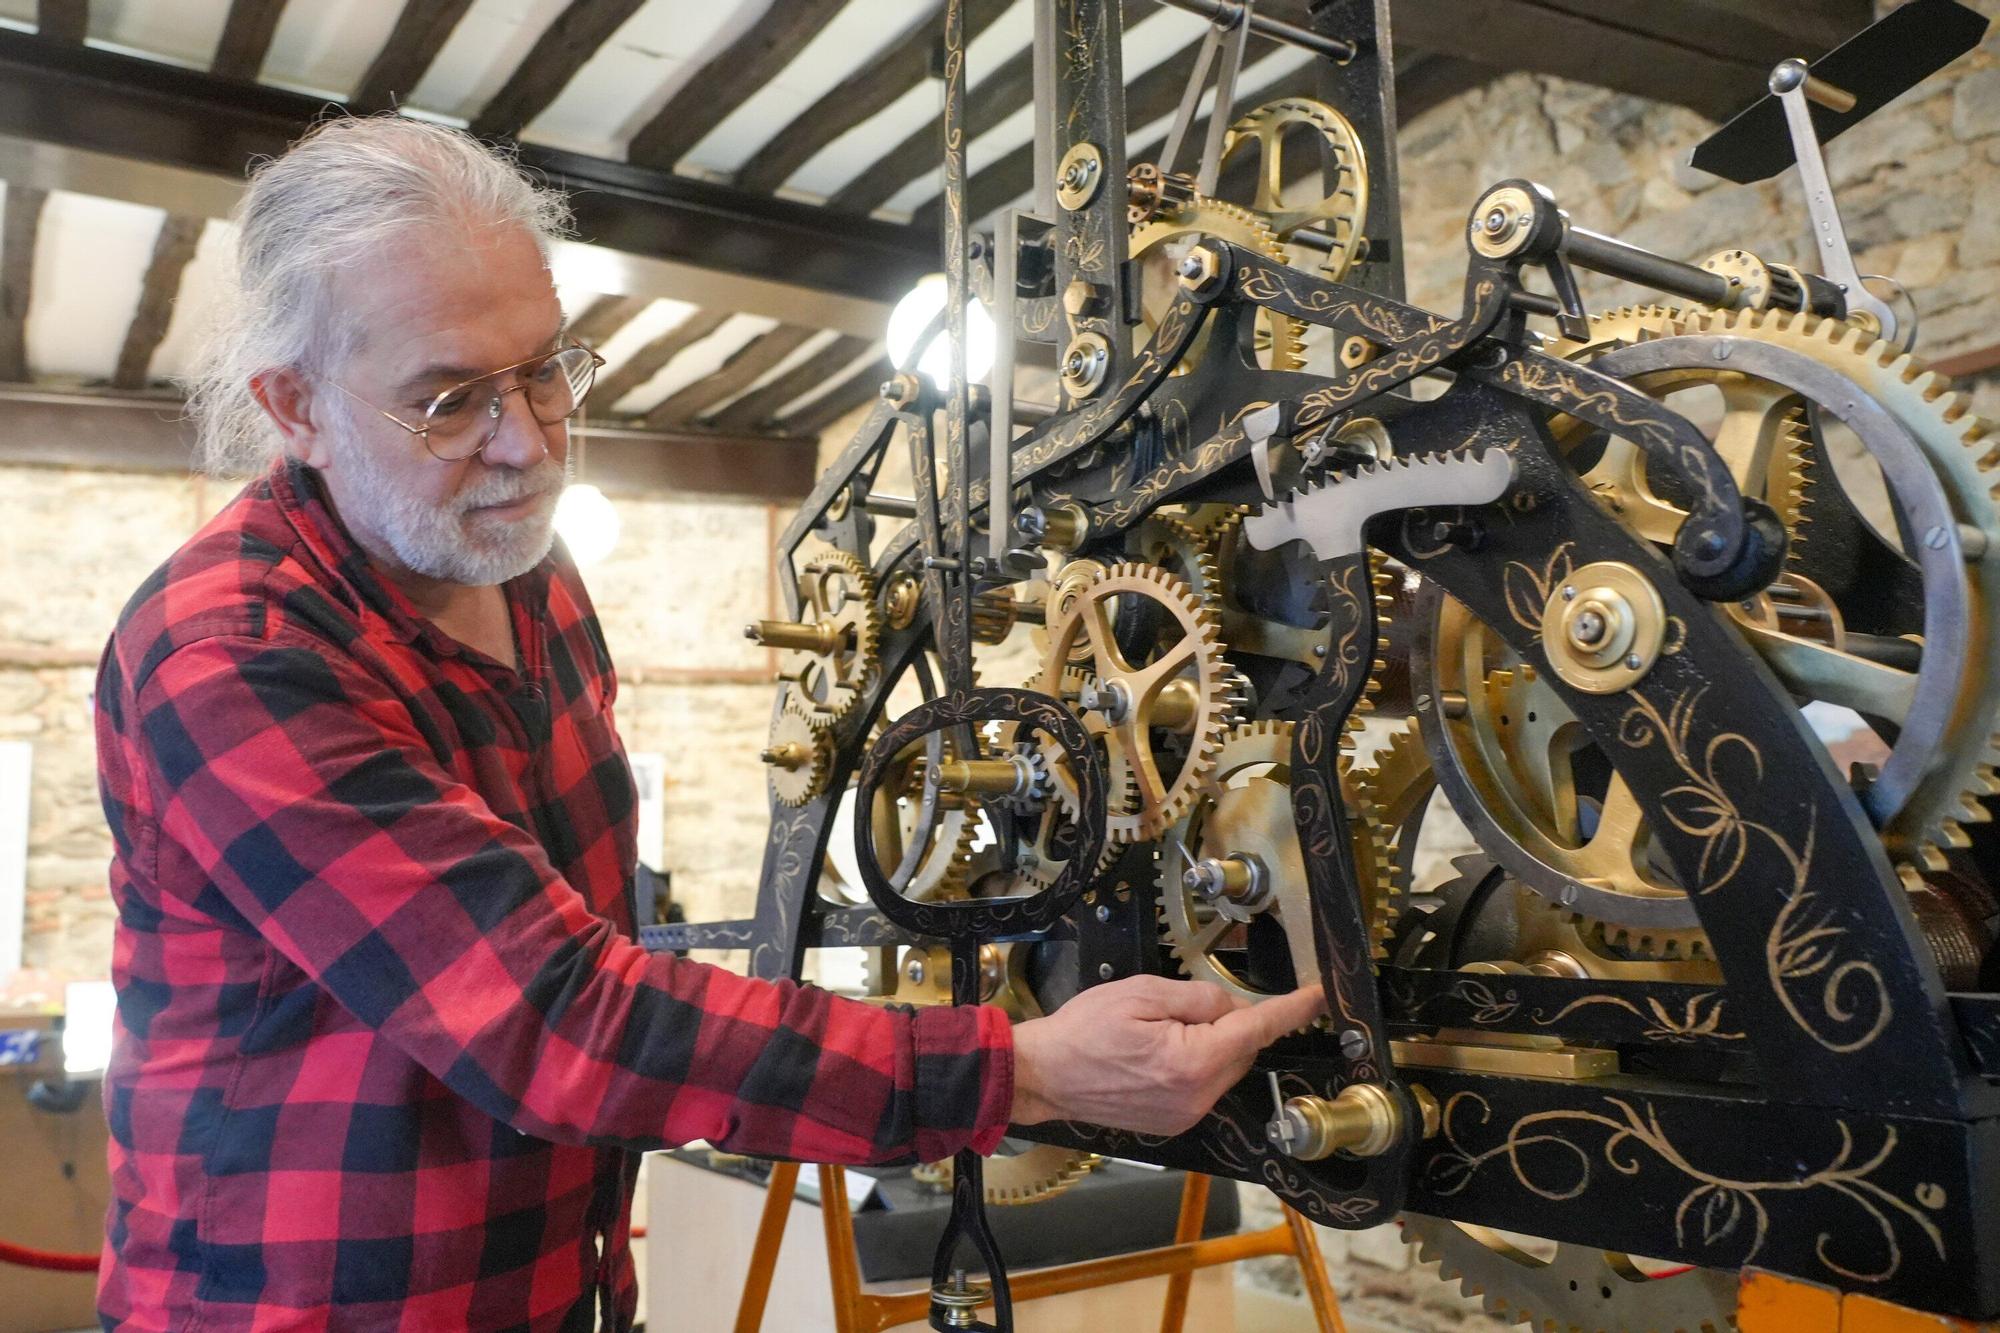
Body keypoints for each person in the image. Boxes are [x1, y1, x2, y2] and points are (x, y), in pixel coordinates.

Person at [92, 115, 1325, 1331]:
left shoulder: (530, 576)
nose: (527, 443)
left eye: (545, 368)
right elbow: (557, 1019)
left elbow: (582, 948)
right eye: (451, 398)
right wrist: (1024, 1069)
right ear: (294, 405)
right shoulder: (233, 654)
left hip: (555, 1286)